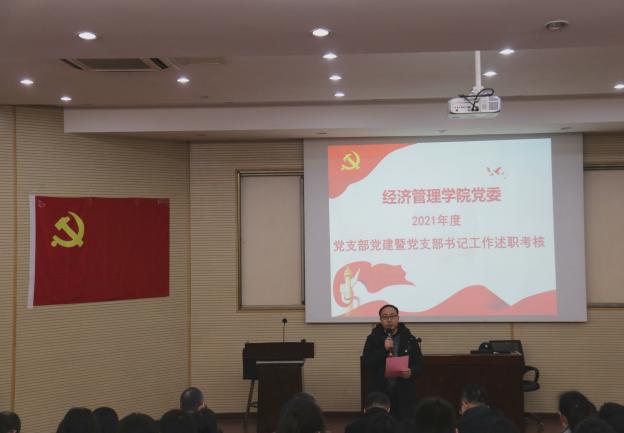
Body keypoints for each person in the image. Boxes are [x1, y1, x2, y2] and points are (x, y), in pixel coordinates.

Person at [362, 304, 424, 419]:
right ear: (380, 320)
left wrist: (411, 372)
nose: (389, 320)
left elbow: (420, 365)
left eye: (392, 316)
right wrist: (383, 350)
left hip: (404, 391)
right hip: (380, 391)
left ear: (398, 318)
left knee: (404, 424)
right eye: (385, 317)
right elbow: (367, 363)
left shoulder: (409, 339)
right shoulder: (372, 339)